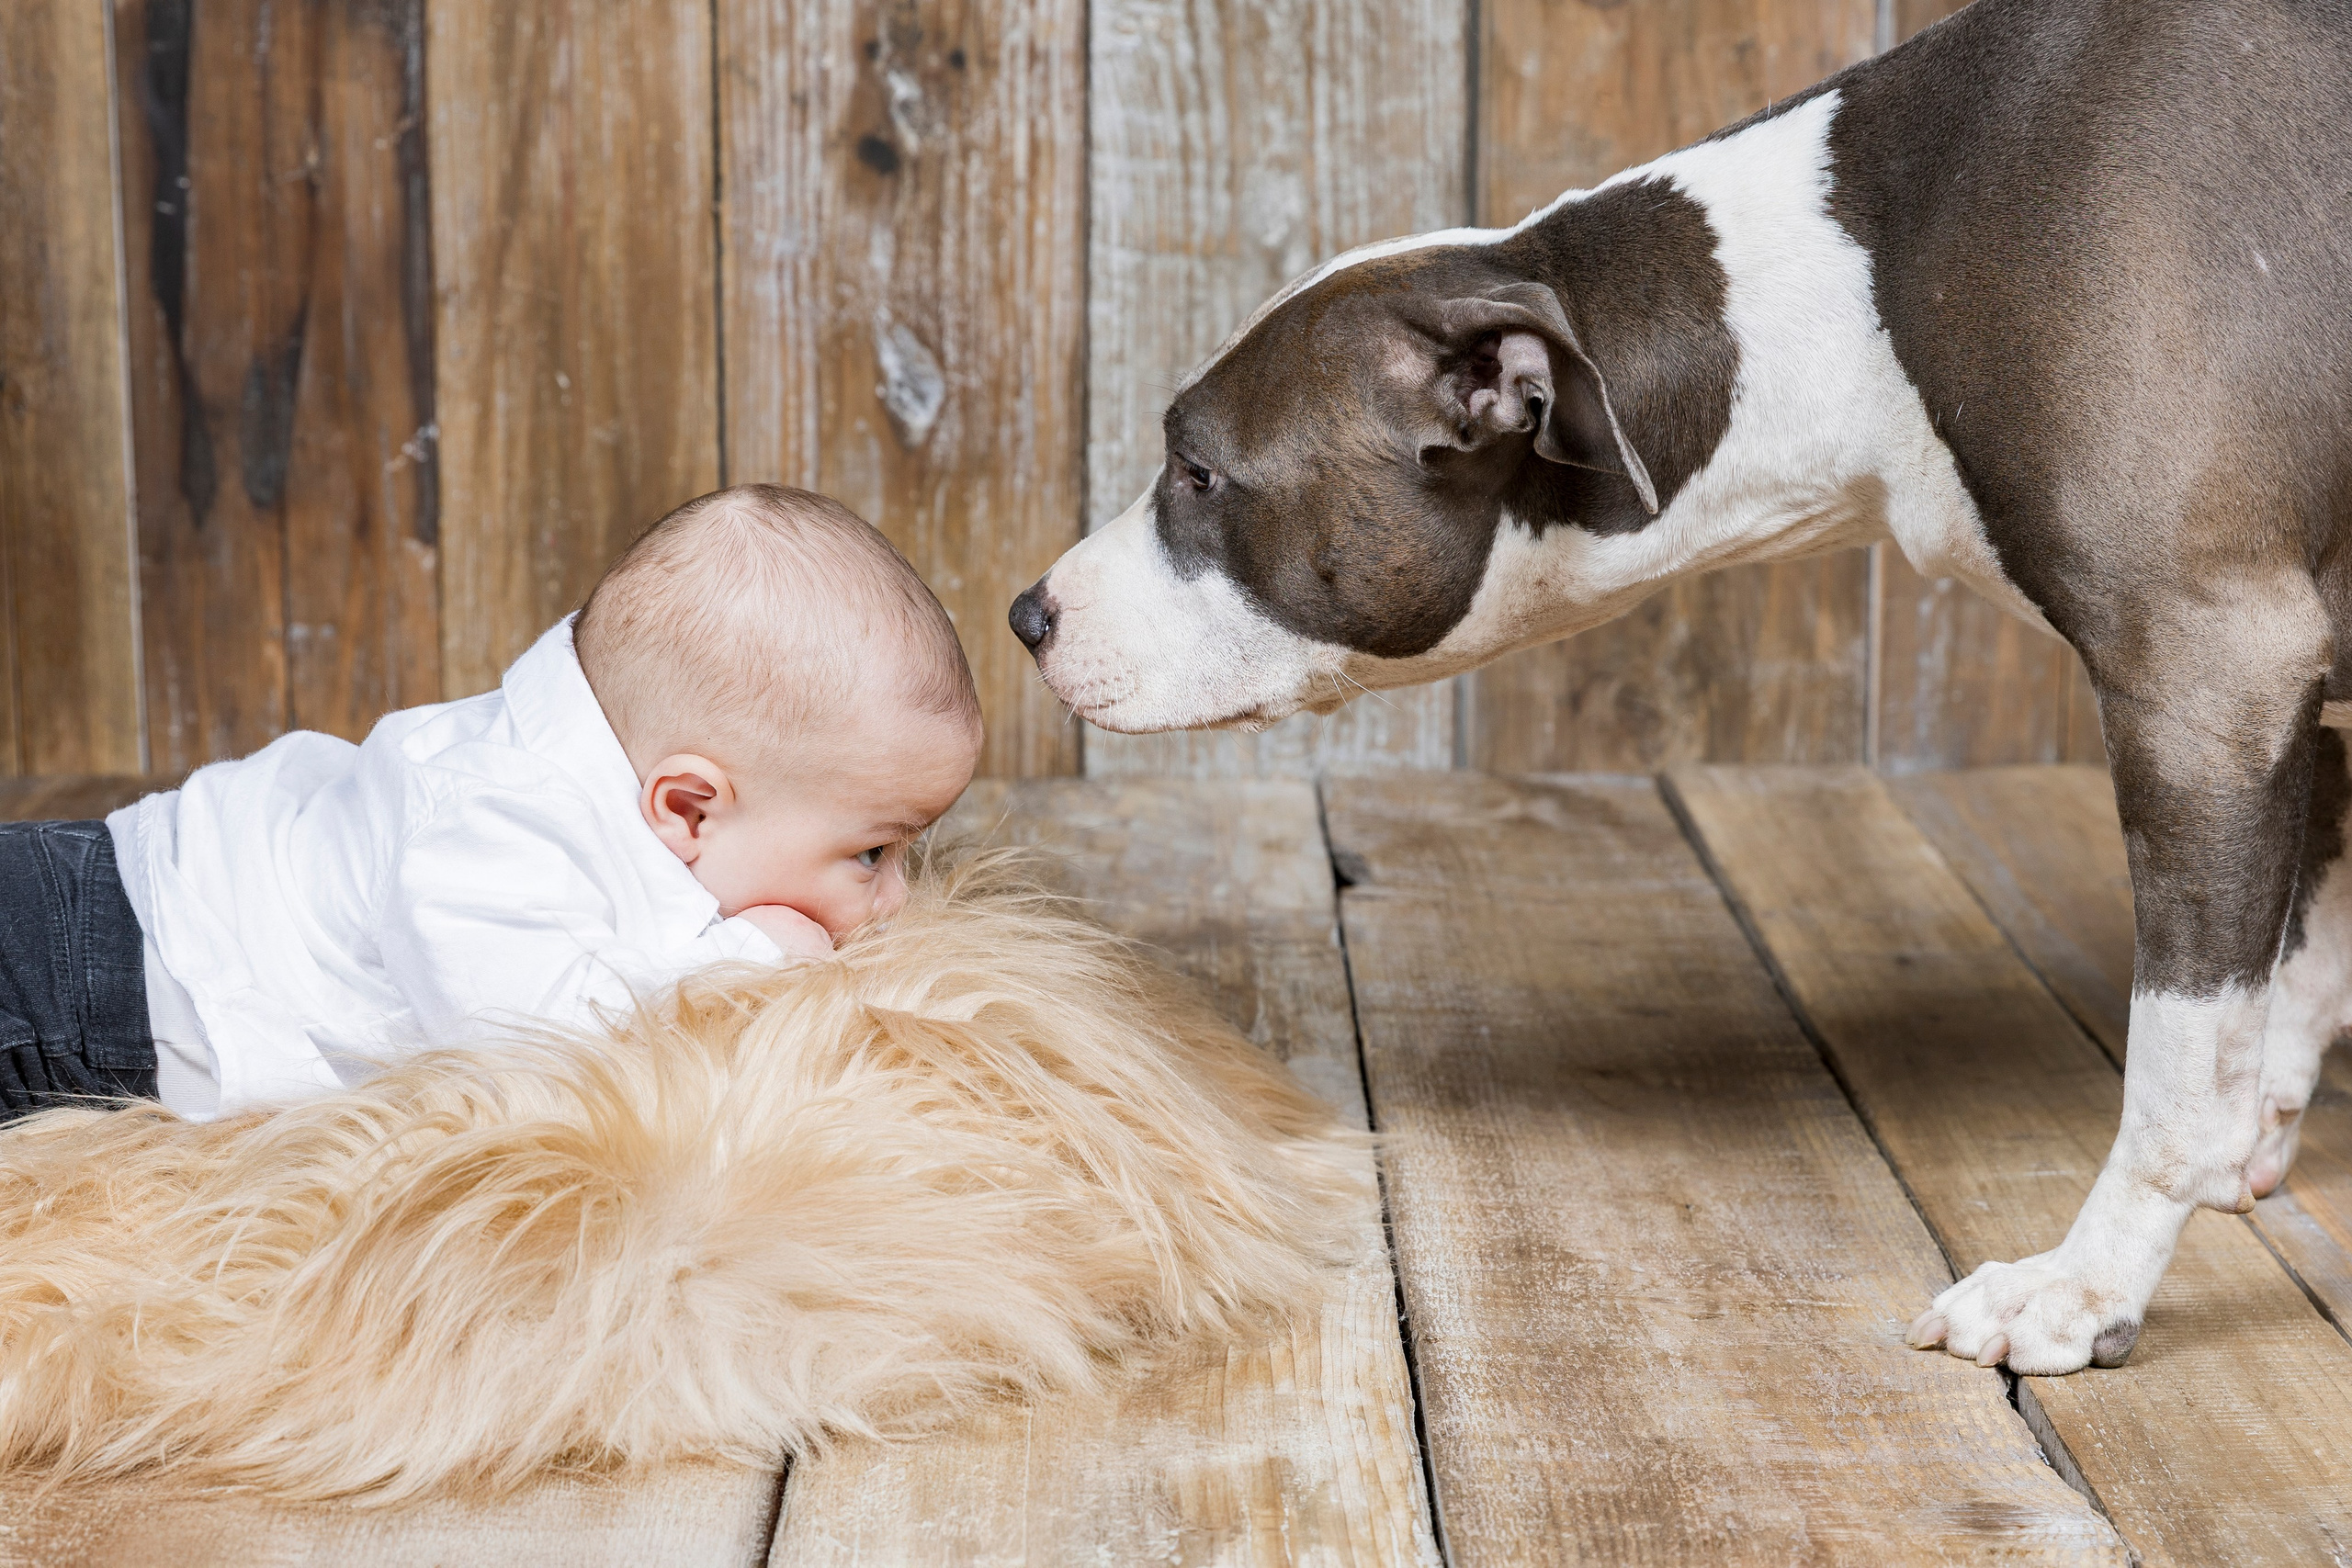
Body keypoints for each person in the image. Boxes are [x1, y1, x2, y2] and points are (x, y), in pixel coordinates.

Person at [0, 486, 982, 1122]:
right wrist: (760, 962)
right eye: (871, 855)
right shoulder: (487, 830)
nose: (896, 901)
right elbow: (545, 1054)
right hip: (100, 980)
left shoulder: (638, 785)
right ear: (688, 809)